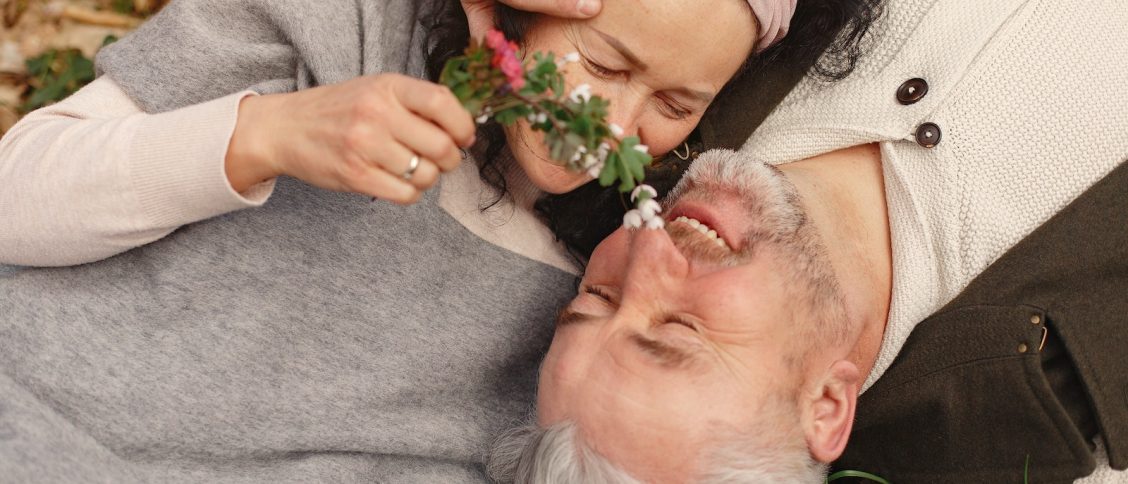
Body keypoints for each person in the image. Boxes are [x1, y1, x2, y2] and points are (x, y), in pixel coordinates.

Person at [0, 0, 881, 482]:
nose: (614, 122)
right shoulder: (342, 27)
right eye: (607, 64)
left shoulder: (579, 327)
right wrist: (265, 136)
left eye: (673, 106)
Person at [491, 0, 1128, 481]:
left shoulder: (608, 108)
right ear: (825, 406)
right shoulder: (1079, 394)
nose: (649, 249)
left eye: (596, 297)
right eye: (680, 329)